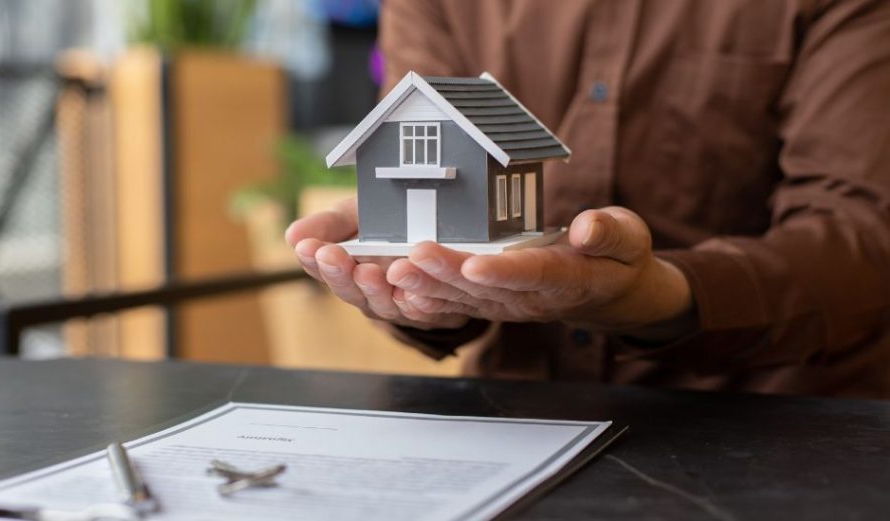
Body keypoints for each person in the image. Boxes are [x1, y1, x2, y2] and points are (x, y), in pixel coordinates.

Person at [286, 0, 890, 398]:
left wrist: (657, 296)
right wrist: (417, 284)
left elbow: (862, 240)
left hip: (768, 429)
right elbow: (423, 122)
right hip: (515, 426)